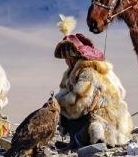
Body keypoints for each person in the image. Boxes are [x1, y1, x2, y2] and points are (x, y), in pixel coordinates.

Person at [54, 15, 133, 147]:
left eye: (67, 58)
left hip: (106, 119)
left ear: (73, 58)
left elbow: (79, 104)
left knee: (86, 126)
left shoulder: (88, 73)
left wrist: (57, 106)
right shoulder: (73, 73)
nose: (66, 62)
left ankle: (95, 136)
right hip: (110, 119)